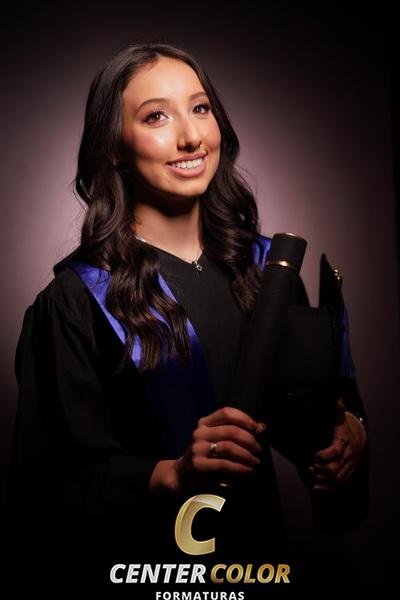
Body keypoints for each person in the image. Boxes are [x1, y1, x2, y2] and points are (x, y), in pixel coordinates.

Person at [7, 41, 369, 590]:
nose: (191, 137)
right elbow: (46, 494)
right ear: (113, 147)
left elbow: (313, 417)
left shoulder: (267, 274)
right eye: (156, 116)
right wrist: (171, 473)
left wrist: (349, 436)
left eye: (200, 108)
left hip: (256, 570)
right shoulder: (76, 302)